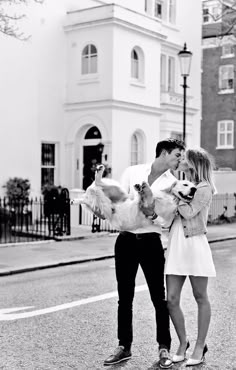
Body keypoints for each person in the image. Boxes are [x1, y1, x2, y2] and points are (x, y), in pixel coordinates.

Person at [103, 138, 185, 368]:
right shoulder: (133, 171)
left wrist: (151, 214)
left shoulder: (173, 183)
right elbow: (118, 201)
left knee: (158, 298)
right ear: (165, 153)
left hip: (151, 241)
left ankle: (164, 348)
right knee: (124, 297)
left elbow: (168, 220)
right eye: (178, 155)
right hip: (126, 240)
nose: (180, 159)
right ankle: (124, 346)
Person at [165, 147, 216, 367]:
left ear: (194, 163)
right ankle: (183, 341)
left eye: (185, 159)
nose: (181, 161)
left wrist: (174, 195)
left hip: (194, 244)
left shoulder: (204, 189)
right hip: (177, 243)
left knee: (200, 296)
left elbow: (187, 212)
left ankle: (199, 346)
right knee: (172, 299)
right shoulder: (184, 186)